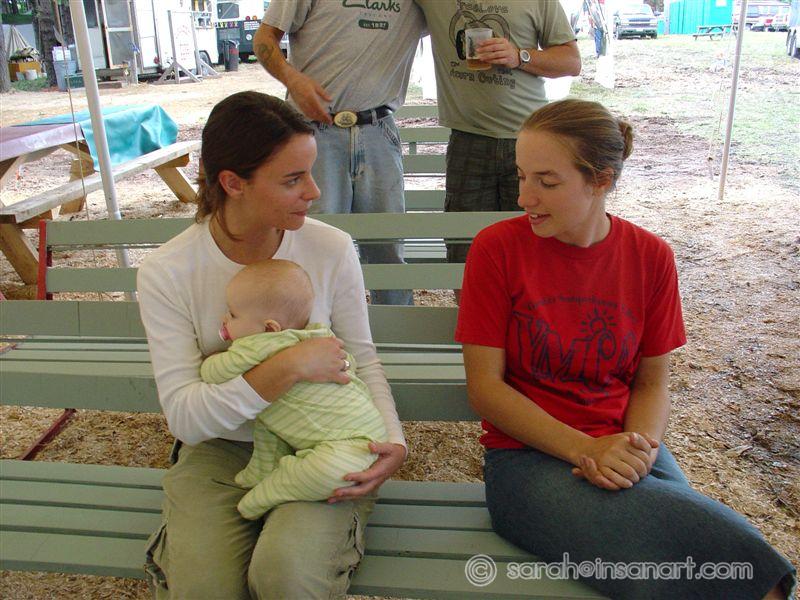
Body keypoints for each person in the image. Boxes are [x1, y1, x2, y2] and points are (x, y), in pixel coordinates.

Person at [455, 99, 796, 599]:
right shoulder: (496, 248)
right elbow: (485, 389)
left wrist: (638, 450)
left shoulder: (650, 256)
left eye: (547, 182)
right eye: (522, 176)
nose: (525, 197)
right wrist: (586, 448)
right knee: (720, 562)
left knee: (735, 559)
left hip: (623, 447)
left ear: (601, 180)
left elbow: (652, 384)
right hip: (526, 459)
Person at [137, 91, 407, 599]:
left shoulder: (329, 248)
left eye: (310, 172)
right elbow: (186, 418)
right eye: (292, 179)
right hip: (221, 449)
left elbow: (362, 357)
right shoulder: (167, 272)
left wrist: (393, 440)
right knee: (205, 591)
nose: (315, 191)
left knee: (285, 576)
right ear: (232, 183)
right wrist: (287, 367)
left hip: (324, 443)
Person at [251, 0, 426, 306]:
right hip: (313, 132)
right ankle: (313, 327)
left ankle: (397, 327)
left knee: (387, 248)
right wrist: (293, 79)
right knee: (312, 245)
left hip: (379, 129)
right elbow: (264, 38)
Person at [201, 258, 388, 520]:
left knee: (334, 472)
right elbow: (350, 362)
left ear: (269, 328)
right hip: (363, 426)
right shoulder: (317, 337)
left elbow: (213, 373)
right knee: (270, 422)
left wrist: (211, 359)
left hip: (350, 440)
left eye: (232, 315)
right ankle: (264, 471)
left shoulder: (257, 345)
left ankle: (273, 489)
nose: (224, 319)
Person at [414, 0, 581, 284]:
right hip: (468, 139)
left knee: (535, 247)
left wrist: (519, 56)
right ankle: (472, 314)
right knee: (464, 251)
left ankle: (531, 312)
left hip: (529, 141)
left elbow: (571, 62)